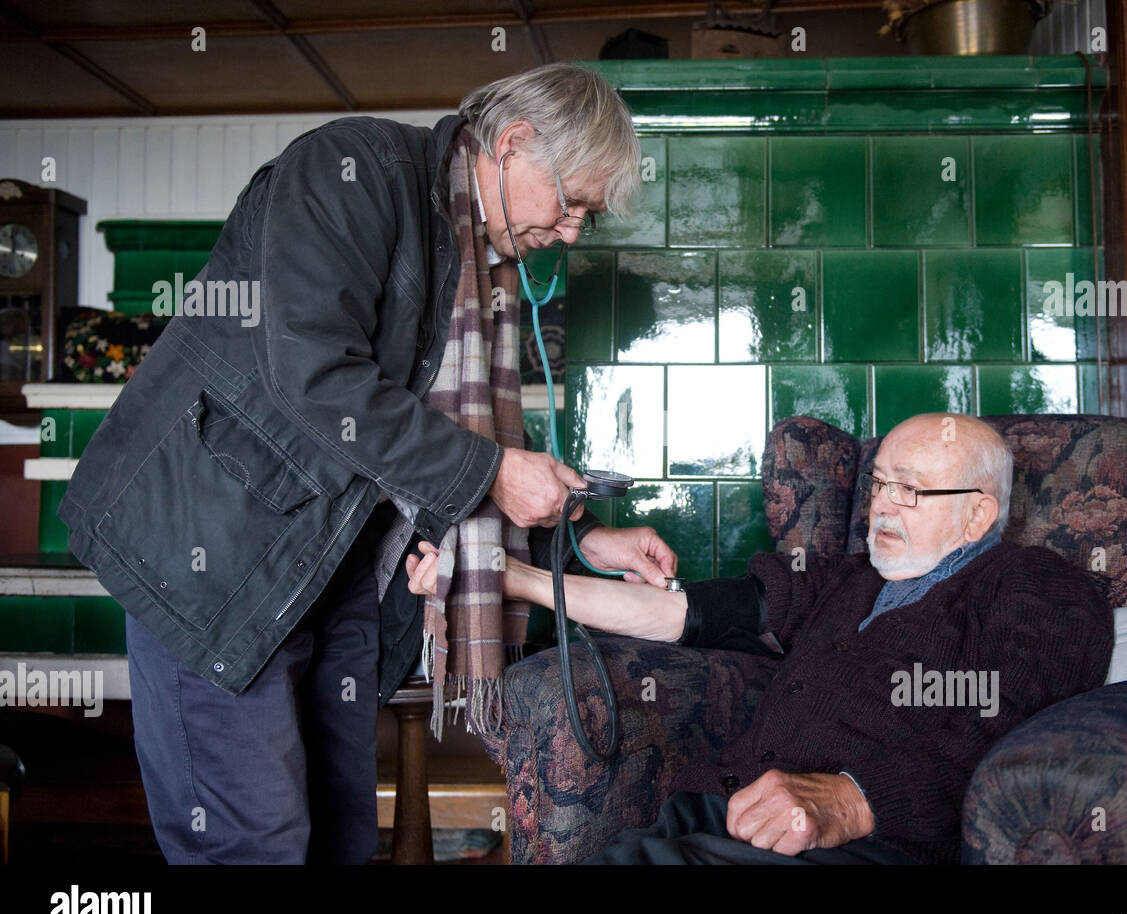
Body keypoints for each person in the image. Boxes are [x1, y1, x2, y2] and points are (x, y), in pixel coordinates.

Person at [57, 64, 676, 864]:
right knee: (255, 844)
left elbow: (452, 439)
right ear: (513, 144)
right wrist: (494, 471)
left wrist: (584, 543)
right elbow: (316, 374)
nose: (571, 232)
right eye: (571, 203)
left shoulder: (474, 257)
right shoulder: (349, 171)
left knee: (342, 835)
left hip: (335, 569)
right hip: (212, 555)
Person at [440, 412, 1115, 864]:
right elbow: (681, 612)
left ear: (977, 515)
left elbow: (1015, 718)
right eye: (879, 484)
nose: (880, 505)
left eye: (909, 491)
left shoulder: (1033, 586)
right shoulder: (845, 577)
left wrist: (855, 798)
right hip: (723, 807)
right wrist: (513, 577)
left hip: (862, 840)